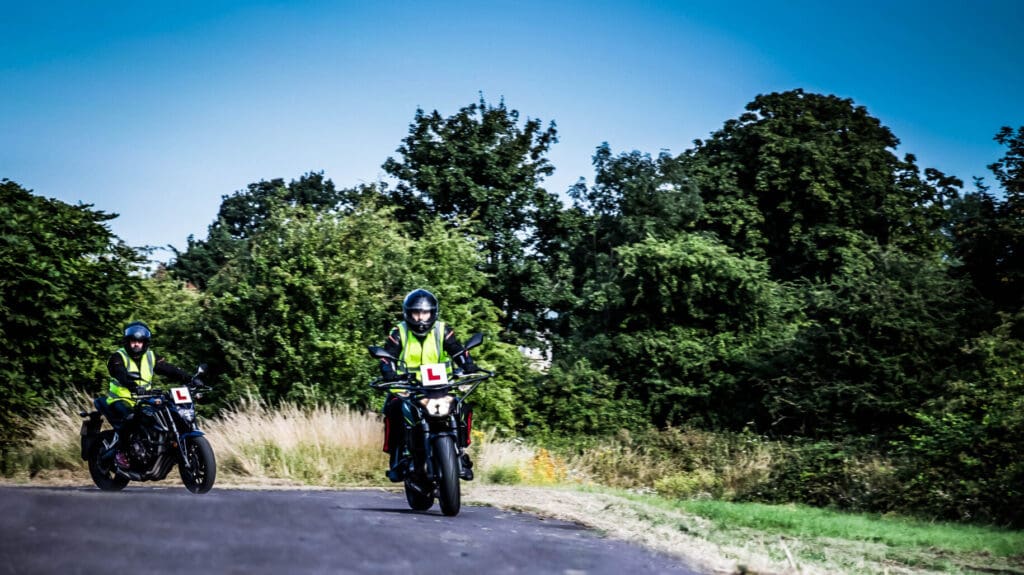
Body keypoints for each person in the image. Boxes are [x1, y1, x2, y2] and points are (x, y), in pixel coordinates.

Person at [378, 289, 480, 482]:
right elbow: (385, 356)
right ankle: (397, 458)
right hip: (408, 388)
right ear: (408, 313)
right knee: (394, 408)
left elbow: (457, 351)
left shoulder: (443, 330)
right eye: (416, 313)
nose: (420, 319)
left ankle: (461, 452)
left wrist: (468, 365)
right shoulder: (399, 332)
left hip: (439, 386)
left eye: (425, 313)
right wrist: (389, 372)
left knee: (461, 406)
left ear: (433, 313)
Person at [105, 321, 195, 469]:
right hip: (121, 399)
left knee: (165, 414)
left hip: (145, 399)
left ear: (144, 343)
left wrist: (190, 379)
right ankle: (120, 452)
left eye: (139, 342)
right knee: (130, 418)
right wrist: (132, 386)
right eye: (133, 341)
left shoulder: (150, 356)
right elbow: (120, 373)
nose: (136, 345)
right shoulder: (117, 357)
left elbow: (169, 369)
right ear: (127, 342)